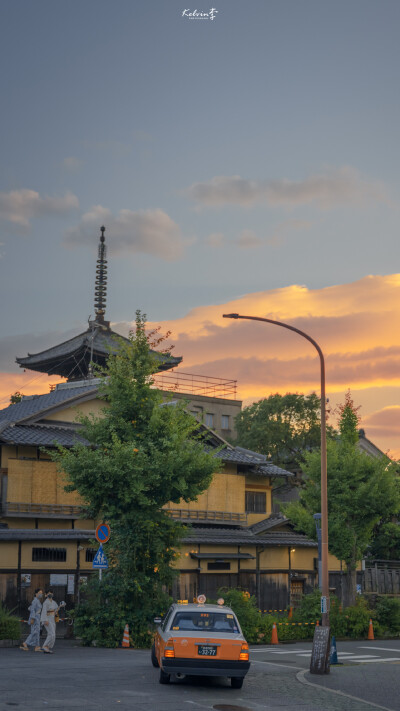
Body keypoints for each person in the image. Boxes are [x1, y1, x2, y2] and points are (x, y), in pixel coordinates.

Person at [41, 590, 61, 654]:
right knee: (51, 634)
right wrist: (45, 620)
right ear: (46, 595)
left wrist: (60, 606)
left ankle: (47, 647)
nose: (50, 594)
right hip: (47, 618)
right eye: (49, 593)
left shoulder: (54, 602)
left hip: (52, 618)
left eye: (51, 593)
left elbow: (55, 610)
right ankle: (45, 646)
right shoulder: (45, 602)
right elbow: (44, 611)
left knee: (52, 634)